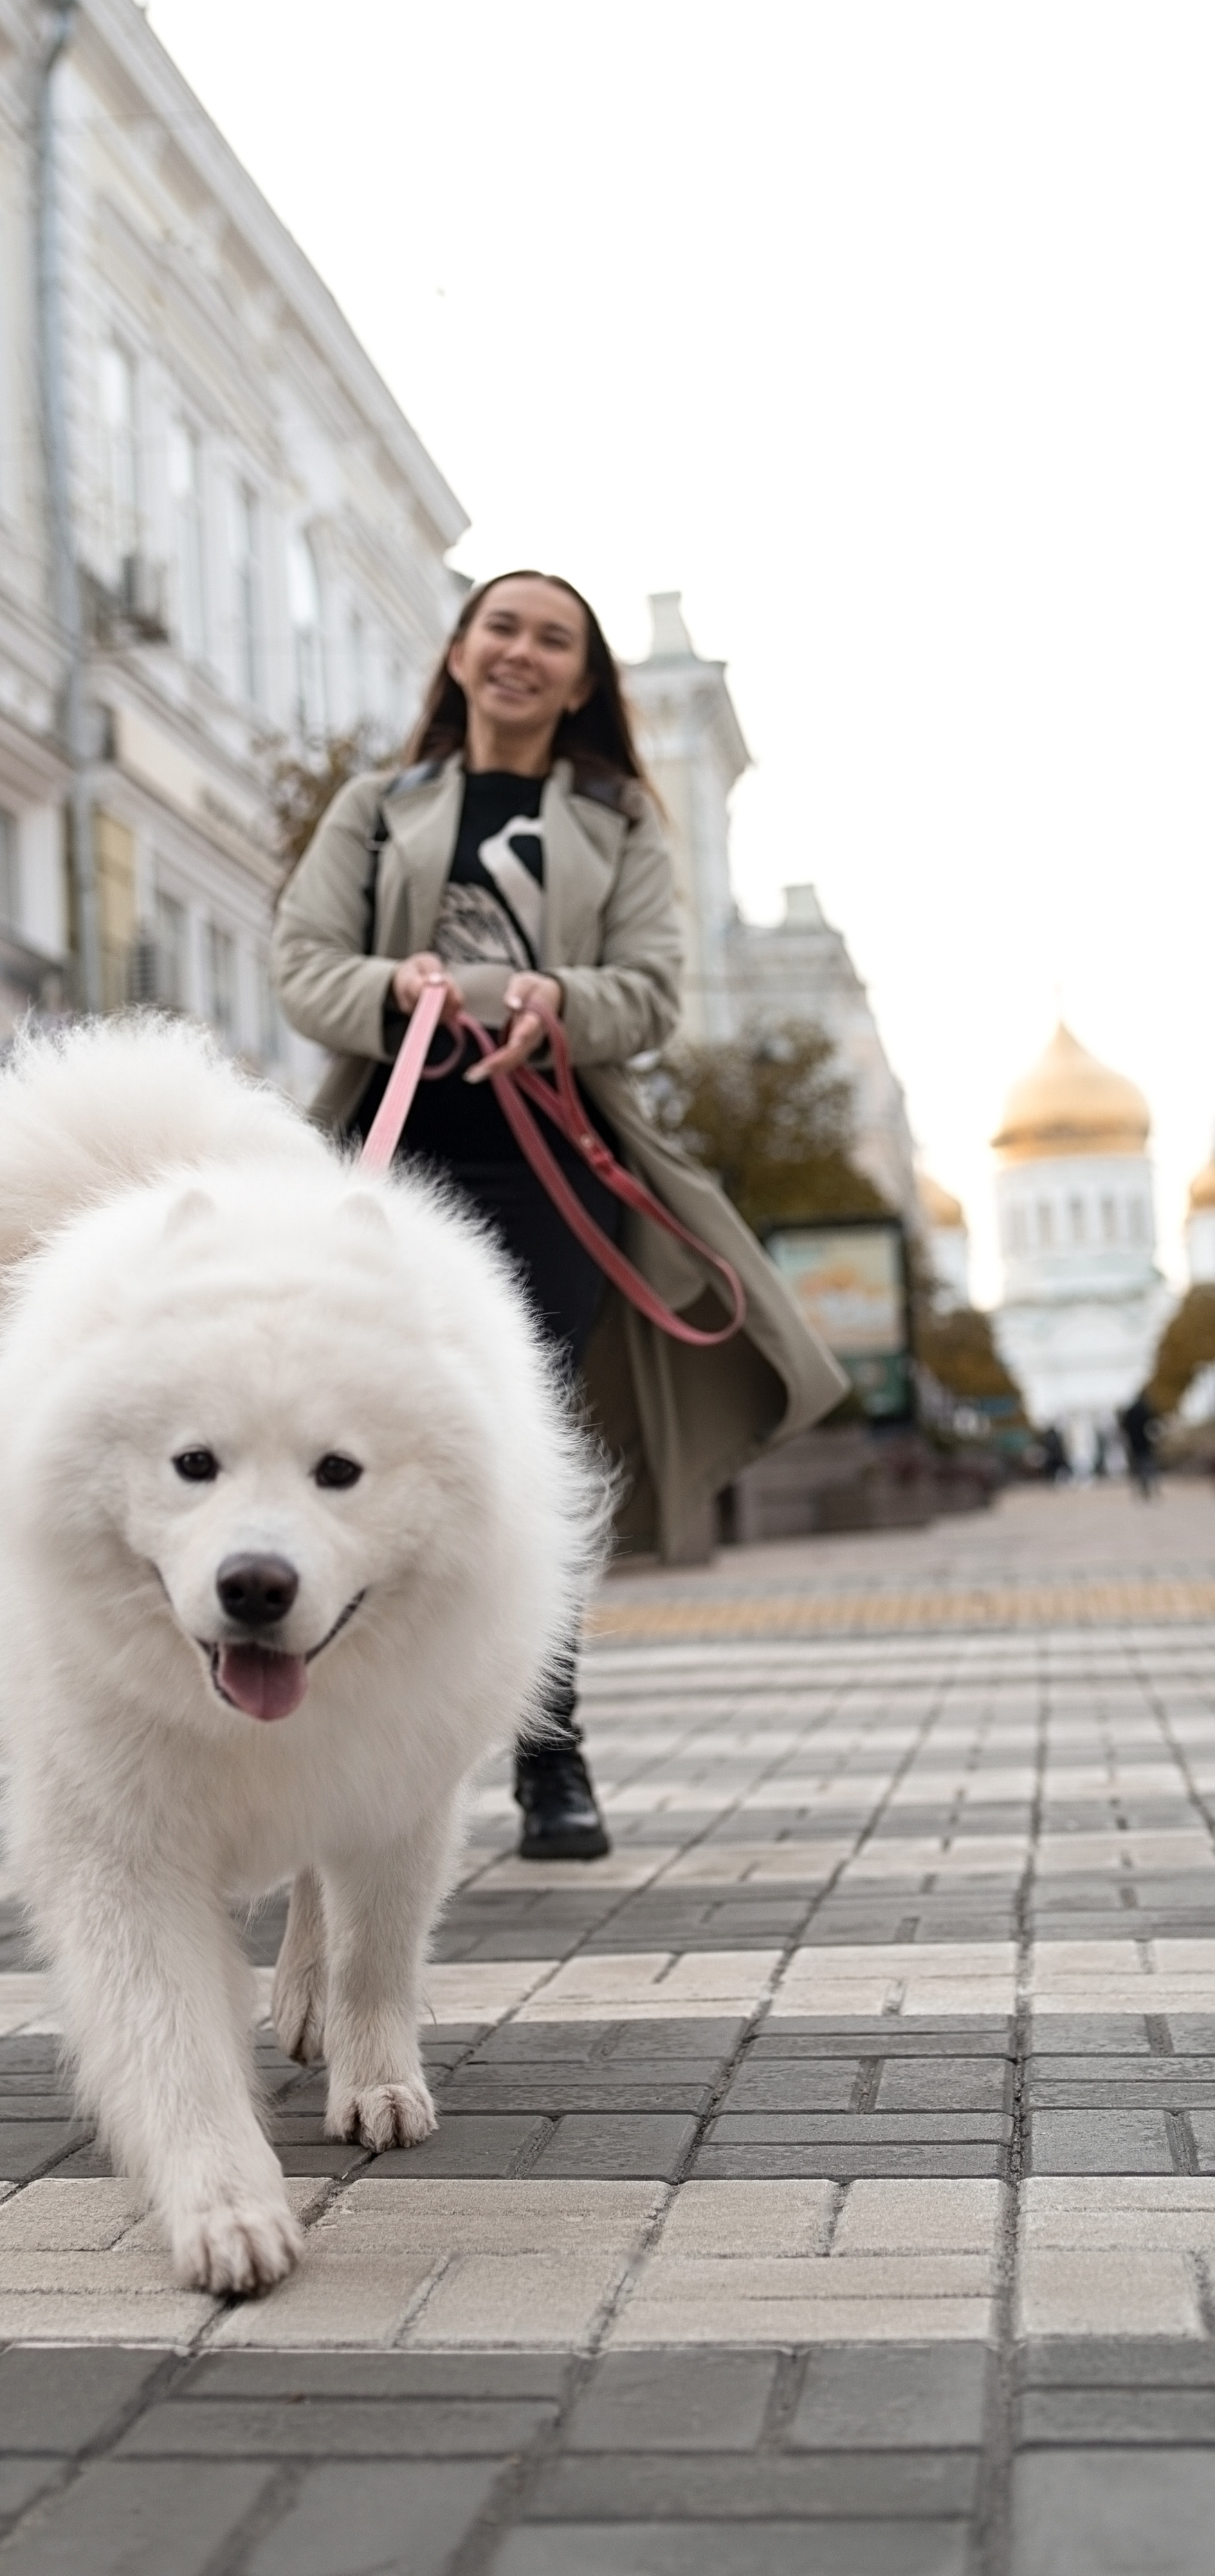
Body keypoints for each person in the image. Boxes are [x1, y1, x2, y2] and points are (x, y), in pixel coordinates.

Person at [272, 570, 847, 1859]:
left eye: (553, 639)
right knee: (344, 1429)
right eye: (502, 627)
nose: (522, 652)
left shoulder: (619, 821)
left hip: (554, 1168)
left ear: (582, 680)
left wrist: (558, 1002)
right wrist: (396, 982)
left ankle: (549, 1747)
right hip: (387, 1154)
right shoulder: (381, 808)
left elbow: (651, 989)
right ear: (464, 651)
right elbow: (304, 964)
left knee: (524, 1449)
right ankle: (349, 1744)